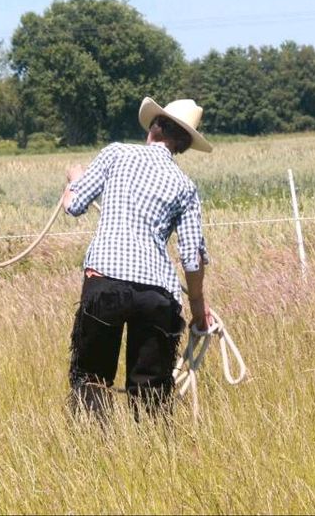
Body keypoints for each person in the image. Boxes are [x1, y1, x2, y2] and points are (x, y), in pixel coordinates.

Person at [62, 97, 214, 417]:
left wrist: (73, 180)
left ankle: (93, 448)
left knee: (92, 379)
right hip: (157, 294)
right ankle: (151, 456)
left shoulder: (116, 153)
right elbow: (191, 259)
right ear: (183, 145)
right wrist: (199, 309)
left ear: (154, 127)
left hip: (105, 281)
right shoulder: (185, 187)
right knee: (151, 393)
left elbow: (74, 205)